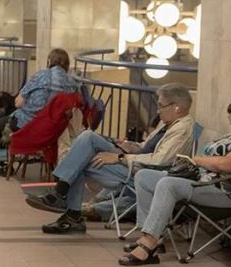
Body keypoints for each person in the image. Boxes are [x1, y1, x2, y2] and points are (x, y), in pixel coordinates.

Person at [119, 94, 231, 266]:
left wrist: (197, 160)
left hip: (224, 195)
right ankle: (152, 236)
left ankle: (148, 245)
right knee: (144, 176)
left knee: (168, 184)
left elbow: (224, 165)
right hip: (202, 182)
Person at [27, 83, 197, 234]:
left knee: (83, 150)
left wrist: (120, 157)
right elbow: (146, 147)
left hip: (143, 173)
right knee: (84, 145)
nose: (158, 111)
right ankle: (66, 204)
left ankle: (66, 205)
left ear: (177, 107)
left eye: (161, 106)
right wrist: (129, 145)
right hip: (136, 162)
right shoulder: (167, 123)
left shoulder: (181, 129)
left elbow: (160, 161)